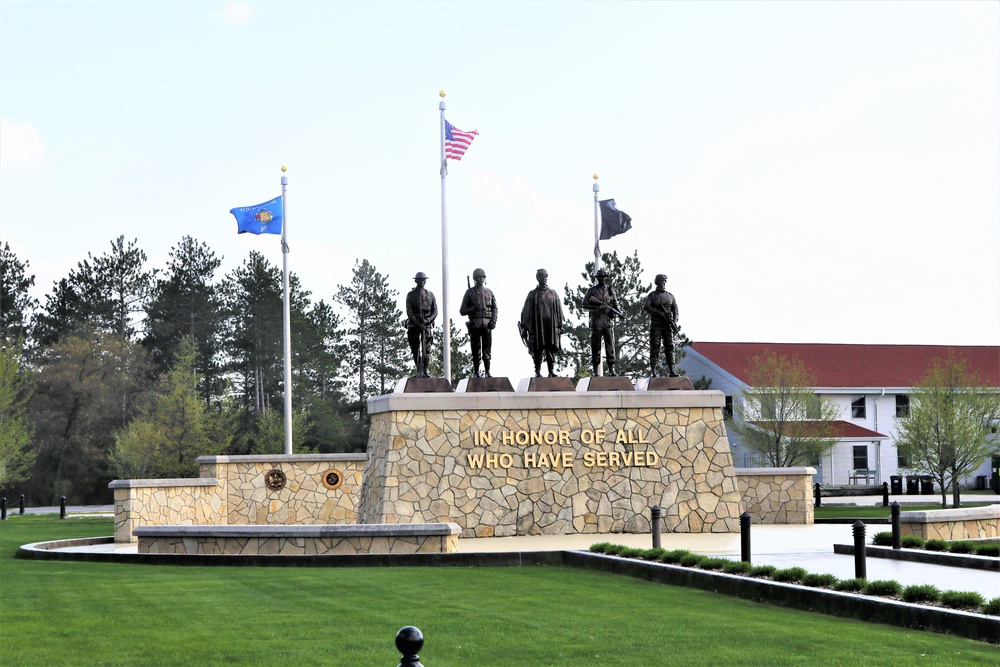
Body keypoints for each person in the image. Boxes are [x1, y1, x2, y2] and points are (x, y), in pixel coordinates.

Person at [519, 269, 564, 378]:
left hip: (550, 325)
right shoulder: (533, 294)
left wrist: (560, 325)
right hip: (538, 325)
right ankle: (537, 371)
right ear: (537, 278)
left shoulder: (553, 293)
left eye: (545, 277)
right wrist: (524, 327)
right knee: (537, 348)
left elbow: (559, 310)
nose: (544, 279)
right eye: (541, 277)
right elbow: (526, 311)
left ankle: (551, 371)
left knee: (550, 348)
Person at [581, 267, 622, 376]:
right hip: (596, 322)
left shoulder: (611, 291)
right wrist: (597, 308)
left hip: (608, 322)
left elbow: (615, 305)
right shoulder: (592, 290)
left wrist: (620, 313)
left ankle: (611, 370)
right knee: (596, 347)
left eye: (604, 277)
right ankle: (595, 371)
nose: (602, 279)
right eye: (600, 277)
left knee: (610, 346)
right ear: (597, 278)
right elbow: (584, 304)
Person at [459, 268, 498, 378]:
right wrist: (473, 308)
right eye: (478, 278)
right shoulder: (469, 292)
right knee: (476, 350)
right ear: (474, 279)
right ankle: (476, 372)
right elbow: (462, 310)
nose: (480, 279)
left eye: (482, 277)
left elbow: (495, 308)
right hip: (475, 323)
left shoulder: (489, 292)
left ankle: (487, 371)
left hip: (487, 324)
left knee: (487, 349)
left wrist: (493, 321)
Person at [643, 274, 679, 377]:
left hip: (667, 325)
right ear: (656, 282)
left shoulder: (670, 296)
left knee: (670, 346)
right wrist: (658, 312)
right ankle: (653, 370)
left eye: (664, 281)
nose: (663, 283)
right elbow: (647, 307)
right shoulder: (652, 295)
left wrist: (674, 321)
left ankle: (672, 370)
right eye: (660, 281)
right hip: (656, 325)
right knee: (655, 346)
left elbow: (675, 309)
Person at [405, 272, 437, 378]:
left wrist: (428, 321)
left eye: (423, 280)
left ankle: (426, 370)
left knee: (427, 349)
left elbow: (435, 311)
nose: (422, 281)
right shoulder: (411, 294)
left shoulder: (430, 295)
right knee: (415, 348)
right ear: (416, 281)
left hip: (427, 325)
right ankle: (418, 369)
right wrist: (417, 323)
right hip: (415, 325)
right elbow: (409, 311)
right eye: (419, 280)